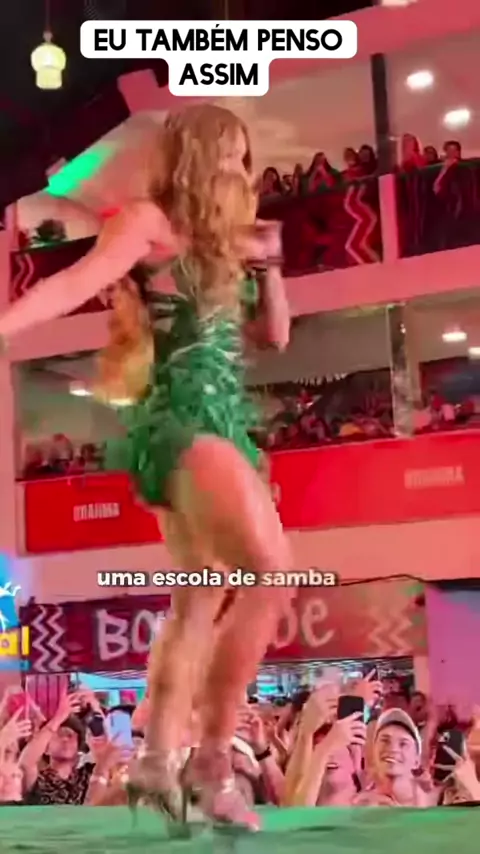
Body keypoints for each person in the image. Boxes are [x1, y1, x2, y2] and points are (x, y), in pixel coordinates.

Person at [0, 104, 291, 831]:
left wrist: (270, 265)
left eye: (244, 158)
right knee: (271, 572)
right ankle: (213, 762)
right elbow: (72, 285)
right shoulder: (146, 220)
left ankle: (157, 760)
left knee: (200, 596)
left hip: (224, 424)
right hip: (182, 419)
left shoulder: (226, 242)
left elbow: (276, 336)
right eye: (230, 155)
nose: (241, 171)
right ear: (198, 158)